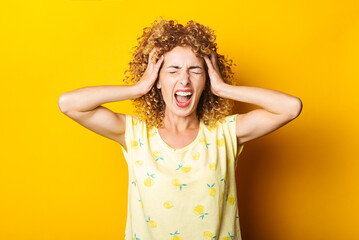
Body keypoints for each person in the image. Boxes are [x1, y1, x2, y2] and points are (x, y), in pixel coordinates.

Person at [58, 18, 302, 240]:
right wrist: (138, 88)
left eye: (195, 70)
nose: (184, 80)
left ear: (205, 80)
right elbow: (68, 104)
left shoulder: (224, 133)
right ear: (158, 80)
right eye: (173, 70)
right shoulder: (135, 134)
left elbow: (290, 108)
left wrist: (222, 88)